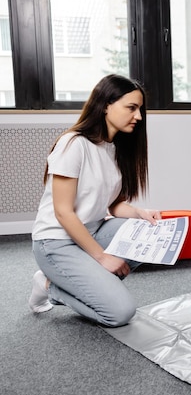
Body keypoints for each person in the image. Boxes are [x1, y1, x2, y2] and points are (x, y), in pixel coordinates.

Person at [28, 74, 161, 327]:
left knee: (148, 232)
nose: (139, 116)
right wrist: (101, 257)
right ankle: (49, 285)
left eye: (140, 109)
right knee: (120, 313)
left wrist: (140, 213)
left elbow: (113, 204)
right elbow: (63, 212)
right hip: (56, 242)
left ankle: (89, 281)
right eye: (131, 108)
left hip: (93, 231)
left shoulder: (114, 148)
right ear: (106, 105)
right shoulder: (73, 144)